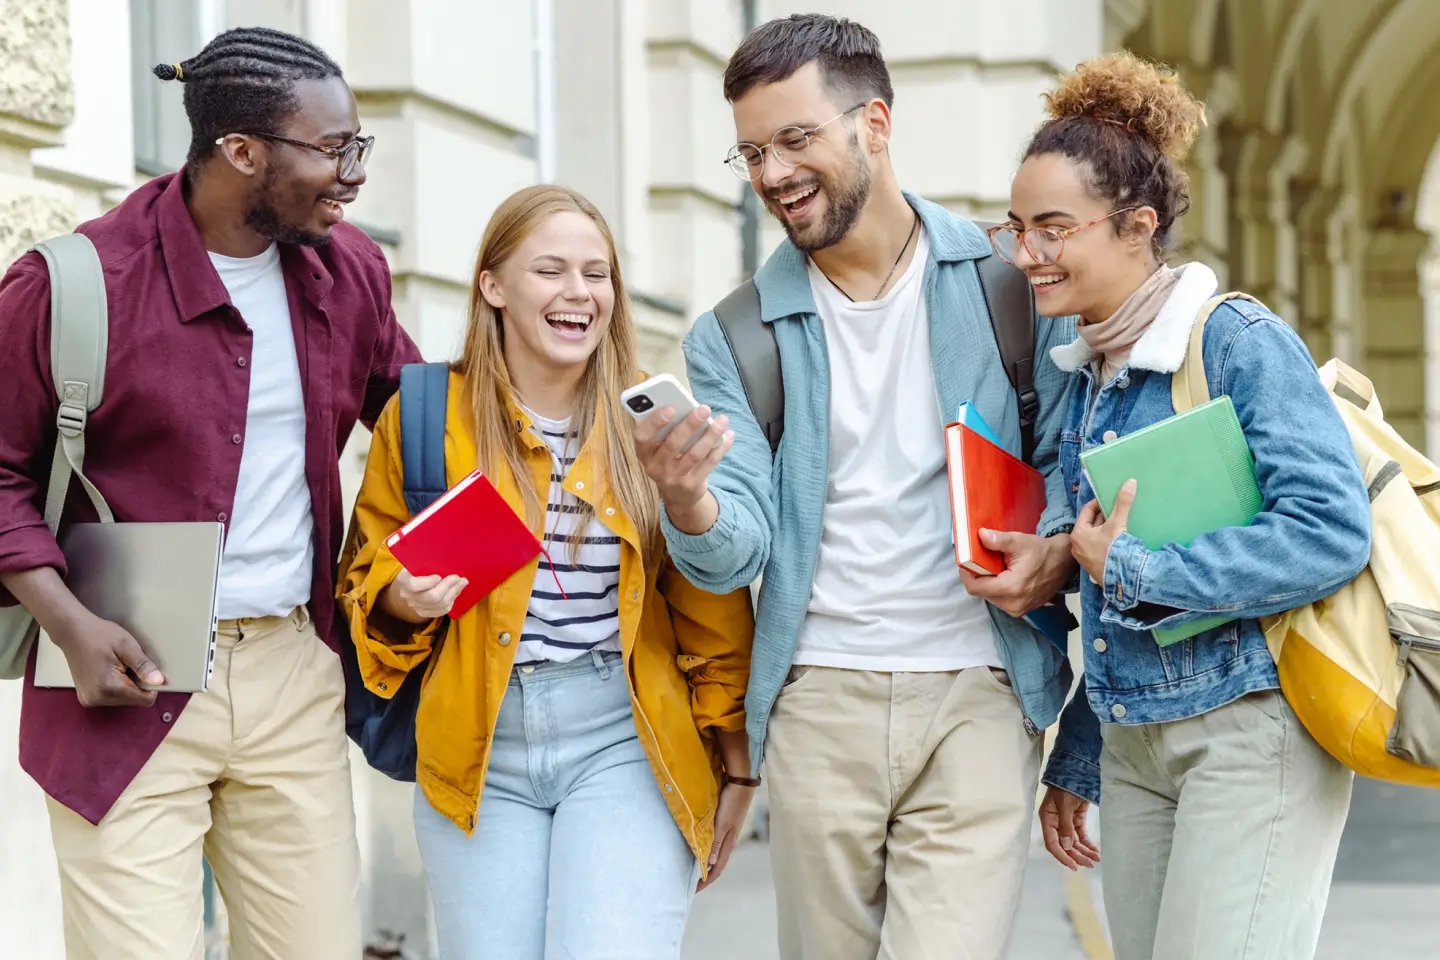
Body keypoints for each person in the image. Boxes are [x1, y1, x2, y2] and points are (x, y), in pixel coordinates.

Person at [633, 13, 1079, 959]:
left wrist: (1050, 552)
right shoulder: (736, 334)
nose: (772, 173)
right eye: (752, 151)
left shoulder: (1007, 281)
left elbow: (1068, 460)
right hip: (818, 695)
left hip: (980, 687)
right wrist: (688, 502)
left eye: (797, 138)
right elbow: (734, 551)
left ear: (874, 123)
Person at [0, 27, 419, 960]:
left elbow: (420, 431)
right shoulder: (74, 283)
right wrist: (69, 622)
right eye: (333, 148)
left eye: (359, 146)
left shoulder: (349, 274)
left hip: (292, 672)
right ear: (241, 152)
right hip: (122, 677)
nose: (353, 173)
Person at [1012, 54, 1371, 960]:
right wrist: (1082, 758)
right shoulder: (1088, 378)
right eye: (1018, 229)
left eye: (1053, 229)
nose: (1028, 255)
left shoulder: (1238, 341)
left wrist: (1135, 569)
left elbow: (1329, 531)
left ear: (1136, 226)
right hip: (1137, 746)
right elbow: (1103, 593)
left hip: (1250, 733)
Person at [338, 184, 756, 960]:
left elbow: (705, 600)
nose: (579, 294)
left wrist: (738, 762)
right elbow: (364, 586)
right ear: (492, 286)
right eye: (551, 271)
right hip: (477, 743)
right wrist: (401, 599)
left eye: (597, 274)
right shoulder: (428, 414)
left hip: (624, 735)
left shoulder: (652, 424)